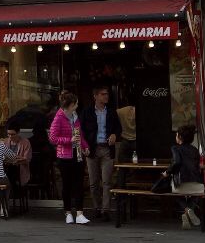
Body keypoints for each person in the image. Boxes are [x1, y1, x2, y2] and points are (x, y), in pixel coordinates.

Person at [80, 85, 122, 221]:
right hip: (92, 149)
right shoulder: (87, 112)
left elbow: (118, 128)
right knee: (93, 182)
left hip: (106, 148)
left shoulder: (111, 112)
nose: (106, 96)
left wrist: (115, 134)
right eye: (103, 94)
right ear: (96, 96)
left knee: (106, 181)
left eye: (107, 94)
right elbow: (81, 131)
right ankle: (96, 208)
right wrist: (84, 146)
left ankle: (106, 210)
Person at [48, 90, 90, 225]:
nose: (77, 106)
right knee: (67, 184)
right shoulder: (58, 117)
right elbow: (53, 138)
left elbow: (80, 135)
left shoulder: (75, 116)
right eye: (75, 104)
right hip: (64, 156)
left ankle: (79, 213)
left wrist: (85, 146)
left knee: (79, 184)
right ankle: (67, 212)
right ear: (69, 105)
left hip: (77, 154)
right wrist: (69, 140)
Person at [168, 125, 204, 229]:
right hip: (196, 185)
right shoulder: (195, 150)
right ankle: (189, 210)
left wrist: (167, 172)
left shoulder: (175, 148)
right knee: (197, 193)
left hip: (181, 185)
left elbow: (176, 163)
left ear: (179, 137)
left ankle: (186, 210)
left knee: (172, 191)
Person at [3, 120, 33, 193]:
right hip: (7, 169)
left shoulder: (25, 142)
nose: (10, 136)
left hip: (20, 170)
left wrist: (15, 159)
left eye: (12, 134)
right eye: (8, 134)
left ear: (18, 132)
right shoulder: (5, 142)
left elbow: (27, 159)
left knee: (11, 172)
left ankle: (12, 191)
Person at [116, 95, 138, 165]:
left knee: (122, 164)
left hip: (125, 140)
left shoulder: (120, 111)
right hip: (136, 140)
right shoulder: (140, 110)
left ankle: (122, 175)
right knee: (137, 163)